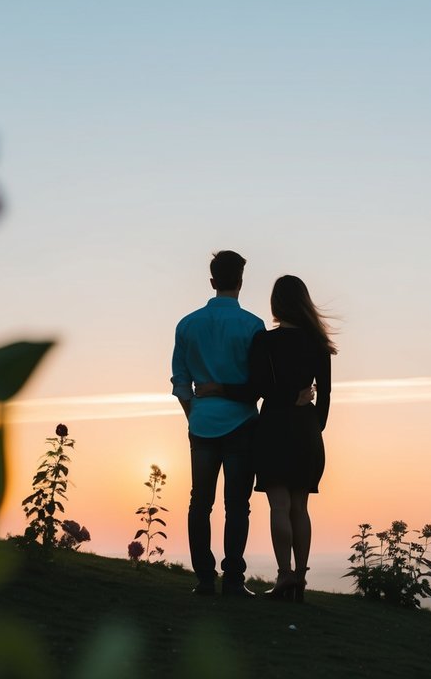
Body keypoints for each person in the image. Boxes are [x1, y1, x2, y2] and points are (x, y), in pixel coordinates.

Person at [197, 274, 336, 603]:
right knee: (300, 507)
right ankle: (299, 579)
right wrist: (314, 423)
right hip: (306, 429)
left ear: (276, 304)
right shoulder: (318, 343)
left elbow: (256, 389)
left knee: (279, 506)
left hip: (273, 426)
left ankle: (284, 575)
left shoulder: (265, 341)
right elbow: (326, 394)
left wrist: (217, 388)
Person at [170, 250, 265, 597]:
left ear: (212, 281)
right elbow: (258, 384)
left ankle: (205, 579)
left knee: (200, 502)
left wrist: (193, 413)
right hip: (241, 422)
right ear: (240, 281)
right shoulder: (253, 326)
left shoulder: (187, 324)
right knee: (237, 504)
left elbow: (180, 382)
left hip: (202, 422)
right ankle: (234, 580)